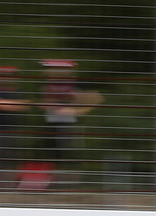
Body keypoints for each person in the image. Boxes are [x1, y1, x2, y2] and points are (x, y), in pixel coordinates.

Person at [25, 59, 102, 189]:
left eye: (52, 69)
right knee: (51, 155)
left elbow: (93, 100)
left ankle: (70, 185)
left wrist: (76, 111)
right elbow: (42, 102)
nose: (48, 71)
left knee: (70, 155)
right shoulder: (46, 84)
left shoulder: (76, 84)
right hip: (50, 123)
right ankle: (51, 183)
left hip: (71, 125)